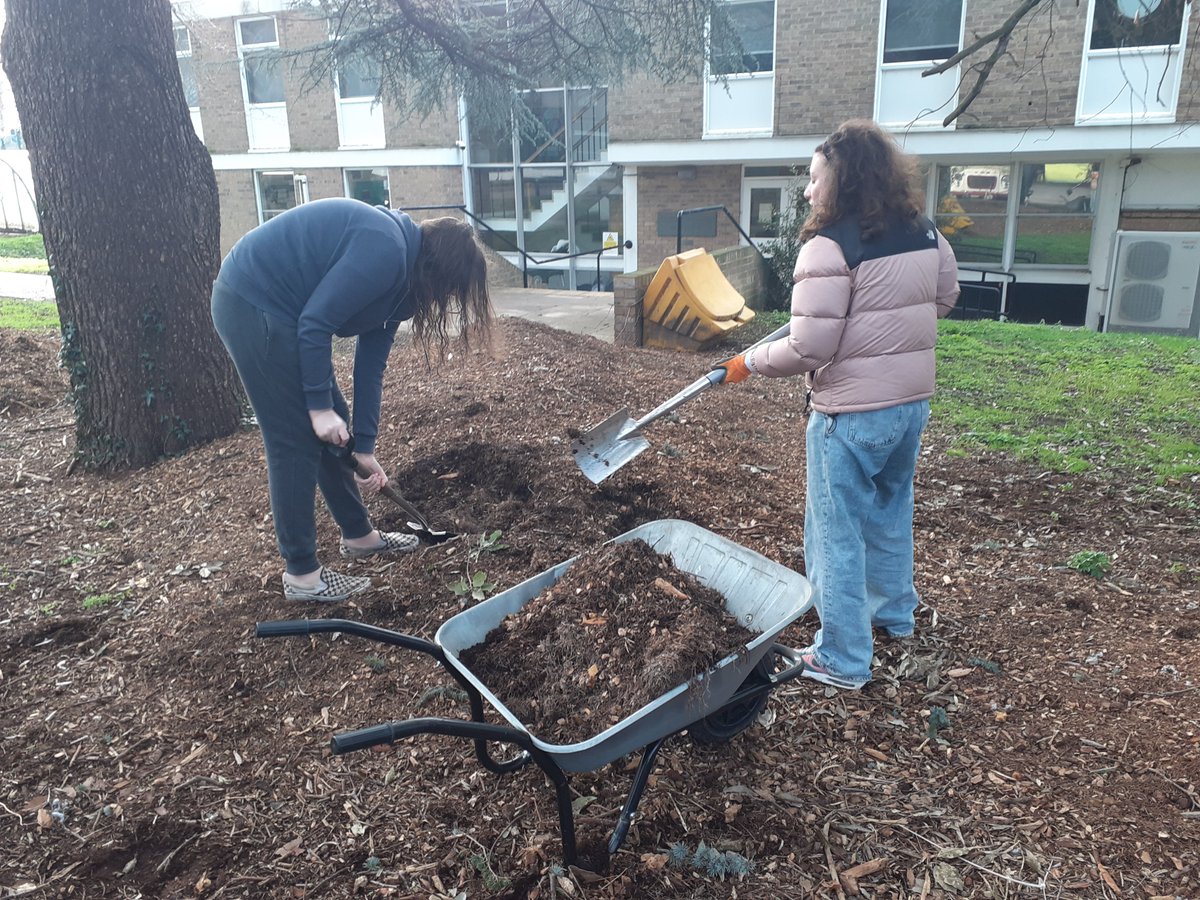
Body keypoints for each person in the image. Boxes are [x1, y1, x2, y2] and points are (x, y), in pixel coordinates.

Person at [717, 120, 960, 689]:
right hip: (910, 407)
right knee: (890, 509)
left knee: (835, 531)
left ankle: (843, 657)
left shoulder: (828, 246)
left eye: (814, 178)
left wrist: (745, 364)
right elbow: (943, 296)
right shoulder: (924, 232)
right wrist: (887, 338)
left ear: (843, 182)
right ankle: (893, 615)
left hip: (849, 417)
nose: (807, 191)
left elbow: (809, 347)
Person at [211, 198, 494, 603]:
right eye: (449, 291)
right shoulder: (386, 250)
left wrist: (364, 447)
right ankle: (303, 576)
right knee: (295, 440)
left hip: (285, 314)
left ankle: (359, 537)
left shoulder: (401, 287)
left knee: (336, 428)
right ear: (438, 270)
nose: (444, 301)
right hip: (254, 302)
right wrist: (317, 408)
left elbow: (370, 366)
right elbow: (315, 322)